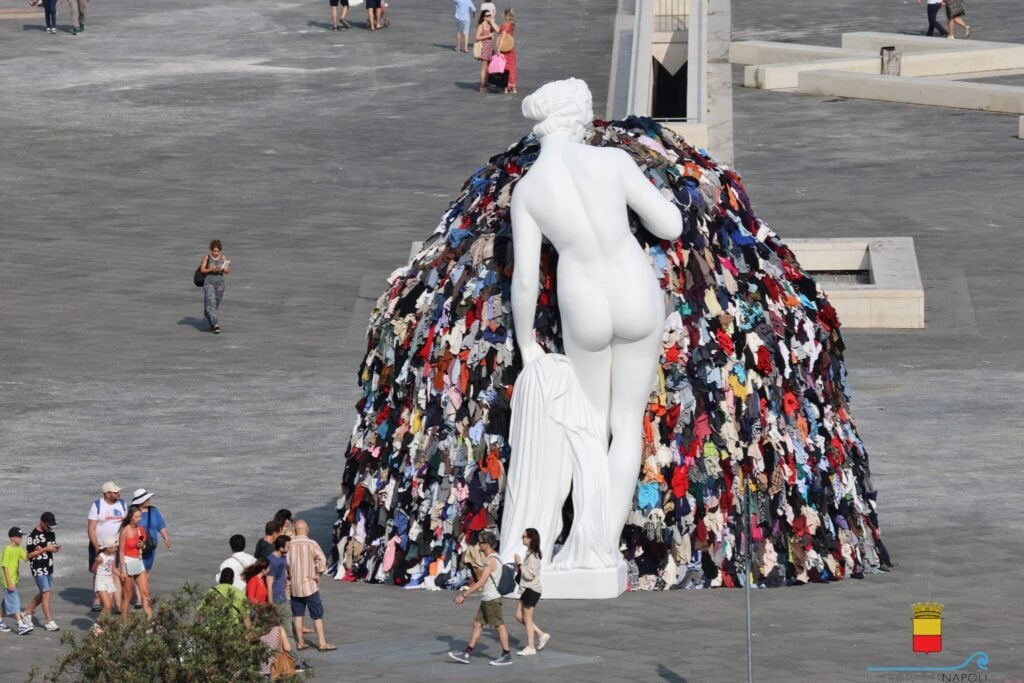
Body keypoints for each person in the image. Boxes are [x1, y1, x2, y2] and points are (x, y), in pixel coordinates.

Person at [447, 530, 513, 666]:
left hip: (492, 599)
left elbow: (481, 582)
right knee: (478, 624)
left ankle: (506, 655)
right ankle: (467, 653)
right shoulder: (496, 557)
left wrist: (464, 595)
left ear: (487, 544)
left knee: (499, 626)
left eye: (480, 542)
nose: (478, 545)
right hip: (487, 598)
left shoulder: (491, 561)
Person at [286, 520, 335, 651]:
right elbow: (322, 559)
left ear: (295, 530)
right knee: (317, 614)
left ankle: (300, 642)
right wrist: (318, 573)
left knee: (297, 614)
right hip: (310, 585)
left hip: (295, 586)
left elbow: (286, 563)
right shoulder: (311, 543)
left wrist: (290, 575)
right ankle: (322, 642)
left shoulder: (289, 545)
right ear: (306, 530)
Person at [87, 482, 127, 613]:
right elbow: (91, 528)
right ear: (107, 493)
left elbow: (125, 524)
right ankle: (97, 598)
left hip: (115, 546)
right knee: (99, 571)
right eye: (115, 492)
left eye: (118, 492)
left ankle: (118, 604)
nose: (118, 494)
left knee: (115, 572)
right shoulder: (97, 505)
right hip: (100, 545)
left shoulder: (122, 504)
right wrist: (97, 547)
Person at [513, 528, 549, 655]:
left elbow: (530, 575)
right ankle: (541, 634)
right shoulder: (530, 552)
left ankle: (530, 647)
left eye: (524, 536)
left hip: (531, 589)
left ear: (530, 539)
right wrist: (519, 565)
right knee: (518, 616)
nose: (522, 538)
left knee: (527, 618)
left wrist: (520, 564)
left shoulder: (533, 555)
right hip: (526, 589)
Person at [132, 489, 171, 608]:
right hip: (136, 546)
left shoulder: (154, 511)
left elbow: (161, 525)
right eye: (147, 499)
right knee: (137, 571)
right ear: (141, 501)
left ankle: (144, 593)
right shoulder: (132, 512)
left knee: (146, 571)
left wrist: (166, 538)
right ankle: (140, 598)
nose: (150, 500)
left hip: (150, 546)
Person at [24, 512, 61, 631]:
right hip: (38, 567)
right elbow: (28, 556)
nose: (50, 528)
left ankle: (27, 612)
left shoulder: (50, 533)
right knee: (46, 593)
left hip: (49, 567)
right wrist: (44, 549)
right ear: (42, 522)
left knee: (44, 593)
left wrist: (54, 549)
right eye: (48, 525)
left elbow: (53, 548)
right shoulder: (32, 536)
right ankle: (49, 621)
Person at [118, 505, 152, 620]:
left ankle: (150, 622)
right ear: (131, 517)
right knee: (128, 595)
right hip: (127, 562)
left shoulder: (141, 530)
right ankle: (124, 621)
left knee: (146, 593)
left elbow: (142, 544)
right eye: (137, 516)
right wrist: (122, 570)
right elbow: (121, 551)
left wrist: (142, 545)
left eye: (140, 516)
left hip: (138, 561)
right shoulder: (125, 531)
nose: (139, 519)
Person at [1, 528, 33, 635]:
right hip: (8, 581)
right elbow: (4, 567)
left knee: (6, 604)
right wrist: (9, 583)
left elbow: (25, 558)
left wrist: (36, 550)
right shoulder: (8, 549)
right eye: (19, 536)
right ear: (12, 538)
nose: (21, 538)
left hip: (14, 580)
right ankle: (21, 625)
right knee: (15, 602)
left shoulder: (18, 548)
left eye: (21, 536)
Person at [199, 238, 230, 334]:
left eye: (217, 251)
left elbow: (228, 270)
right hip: (209, 283)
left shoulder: (223, 258)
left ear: (220, 250)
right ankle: (216, 324)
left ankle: (210, 322)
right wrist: (211, 269)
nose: (216, 253)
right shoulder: (207, 258)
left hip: (220, 284)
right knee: (211, 302)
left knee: (215, 304)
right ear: (211, 250)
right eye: (214, 251)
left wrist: (223, 269)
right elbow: (202, 270)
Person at [90, 536, 118, 617]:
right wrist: (100, 575)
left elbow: (113, 568)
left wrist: (122, 575)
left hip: (110, 580)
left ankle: (106, 626)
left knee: (109, 607)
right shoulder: (100, 558)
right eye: (114, 547)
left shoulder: (113, 555)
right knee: (107, 606)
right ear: (108, 548)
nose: (116, 549)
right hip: (101, 580)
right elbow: (93, 570)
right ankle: (99, 625)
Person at [475, 10, 498, 92]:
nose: (489, 17)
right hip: (484, 48)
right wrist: (488, 35)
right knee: (484, 68)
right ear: (484, 17)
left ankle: (486, 83)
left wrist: (492, 22)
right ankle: (482, 86)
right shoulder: (481, 26)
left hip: (491, 48)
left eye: (490, 15)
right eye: (488, 15)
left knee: (489, 67)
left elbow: (498, 30)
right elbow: (477, 37)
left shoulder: (490, 24)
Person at [497, 8, 517, 94]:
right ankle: (513, 87)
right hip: (511, 48)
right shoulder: (512, 24)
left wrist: (498, 48)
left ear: (505, 15)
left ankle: (505, 87)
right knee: (512, 67)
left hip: (505, 49)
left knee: (505, 67)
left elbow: (503, 37)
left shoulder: (505, 24)